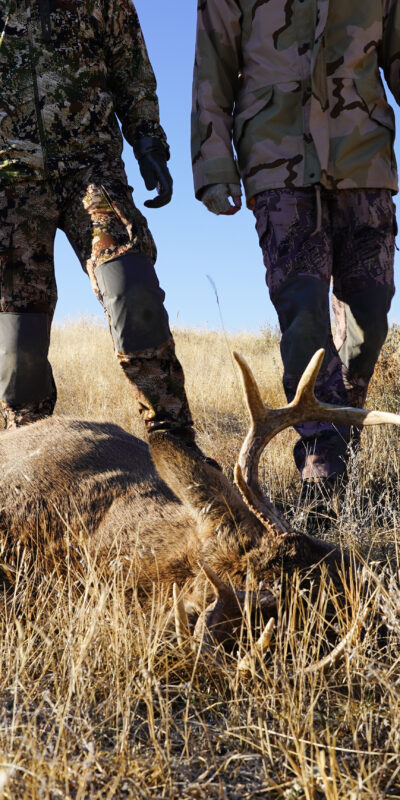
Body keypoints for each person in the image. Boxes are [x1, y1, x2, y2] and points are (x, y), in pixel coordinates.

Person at [191, 0, 400, 497]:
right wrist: (214, 166)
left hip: (364, 156)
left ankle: (341, 425)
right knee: (303, 312)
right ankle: (322, 467)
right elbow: (212, 68)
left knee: (371, 315)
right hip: (277, 158)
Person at [0, 0, 195, 447]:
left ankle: (176, 444)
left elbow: (131, 68)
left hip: (93, 171)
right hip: (10, 186)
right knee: (16, 344)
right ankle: (28, 460)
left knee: (133, 289)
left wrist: (148, 141)